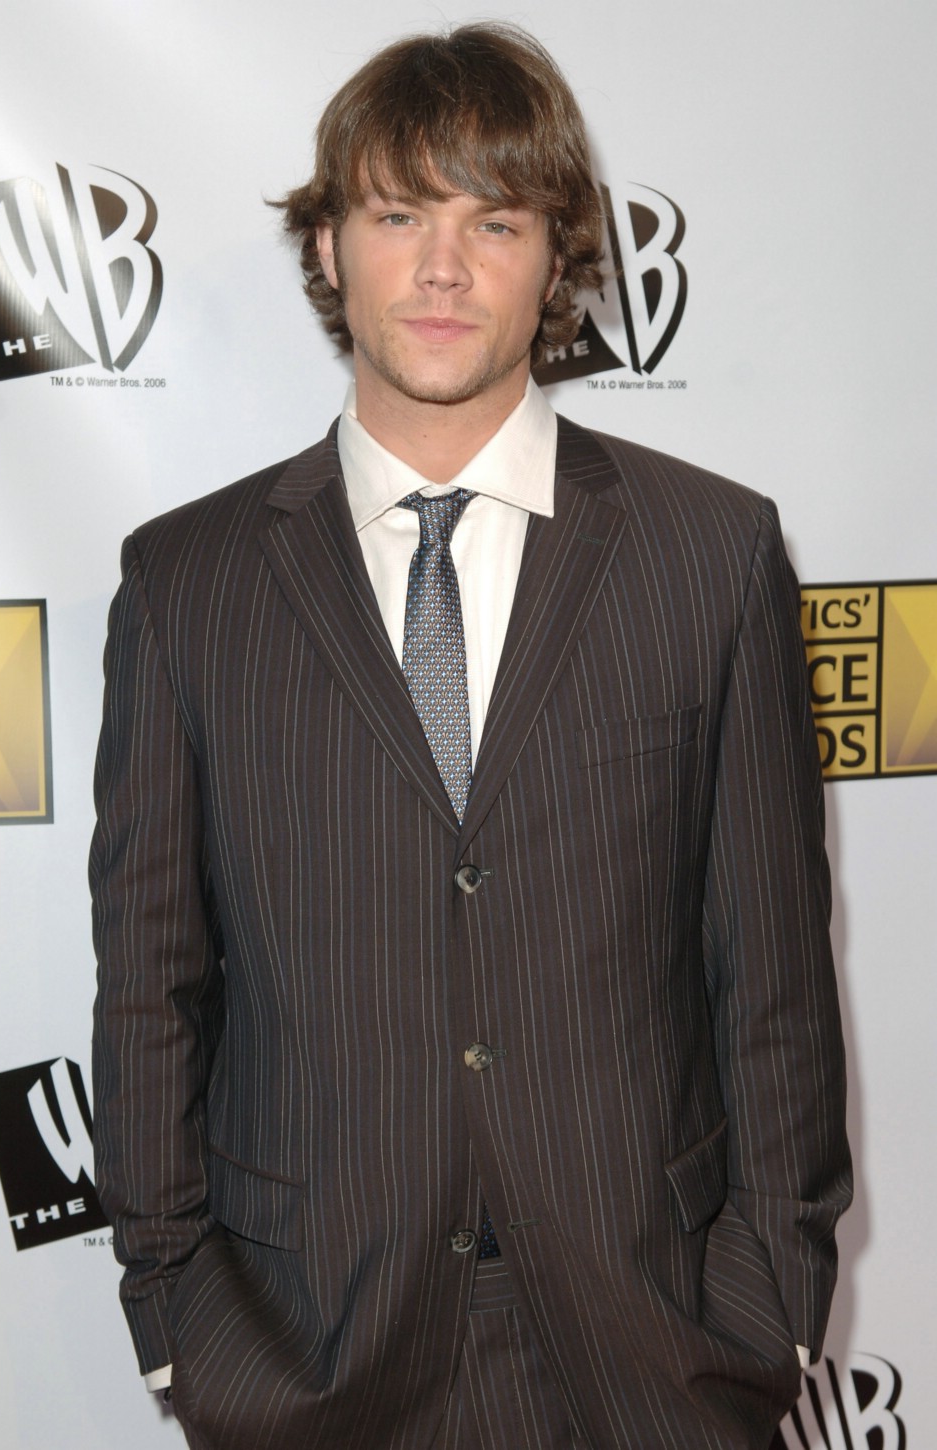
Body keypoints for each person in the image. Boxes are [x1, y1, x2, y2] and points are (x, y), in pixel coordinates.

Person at [90, 22, 851, 1450]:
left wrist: (773, 1301)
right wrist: (175, 1313)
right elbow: (150, 986)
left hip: (655, 1348)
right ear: (329, 247)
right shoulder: (188, 582)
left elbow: (773, 981)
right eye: (398, 216)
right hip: (305, 1351)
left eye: (493, 221)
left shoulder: (711, 552)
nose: (443, 268)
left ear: (557, 259)